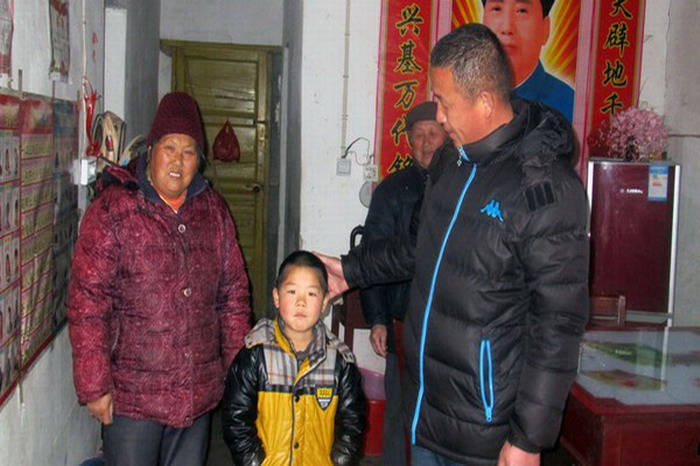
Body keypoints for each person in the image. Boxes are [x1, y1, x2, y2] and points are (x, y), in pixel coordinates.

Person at [317, 23, 589, 465]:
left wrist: (528, 438)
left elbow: (557, 323)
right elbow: (417, 247)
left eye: (445, 103)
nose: (439, 117)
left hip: (487, 428)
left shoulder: (544, 188)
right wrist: (350, 271)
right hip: (427, 408)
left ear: (484, 102)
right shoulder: (450, 162)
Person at [67, 91, 252, 466]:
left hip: (195, 394)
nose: (178, 161)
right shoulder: (114, 209)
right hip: (133, 398)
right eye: (170, 148)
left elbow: (233, 297)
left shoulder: (213, 211)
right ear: (151, 150)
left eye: (189, 151)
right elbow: (88, 301)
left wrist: (237, 374)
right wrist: (94, 385)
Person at [360, 100, 447, 466]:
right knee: (400, 411)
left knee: (443, 415)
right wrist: (377, 318)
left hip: (449, 327)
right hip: (403, 320)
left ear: (447, 136)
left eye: (433, 134)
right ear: (409, 141)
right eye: (419, 135)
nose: (426, 143)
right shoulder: (392, 191)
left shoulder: (461, 186)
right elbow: (372, 257)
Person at [221, 251, 366, 466]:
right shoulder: (255, 356)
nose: (301, 302)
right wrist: (253, 461)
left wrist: (339, 461)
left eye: (311, 294)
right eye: (292, 291)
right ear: (276, 297)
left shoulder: (340, 362)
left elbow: (352, 421)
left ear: (325, 302)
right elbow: (236, 417)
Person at [481, 0, 574, 121]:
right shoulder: (461, 95)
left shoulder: (569, 107)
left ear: (545, 29)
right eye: (497, 9)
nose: (506, 28)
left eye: (521, 11)